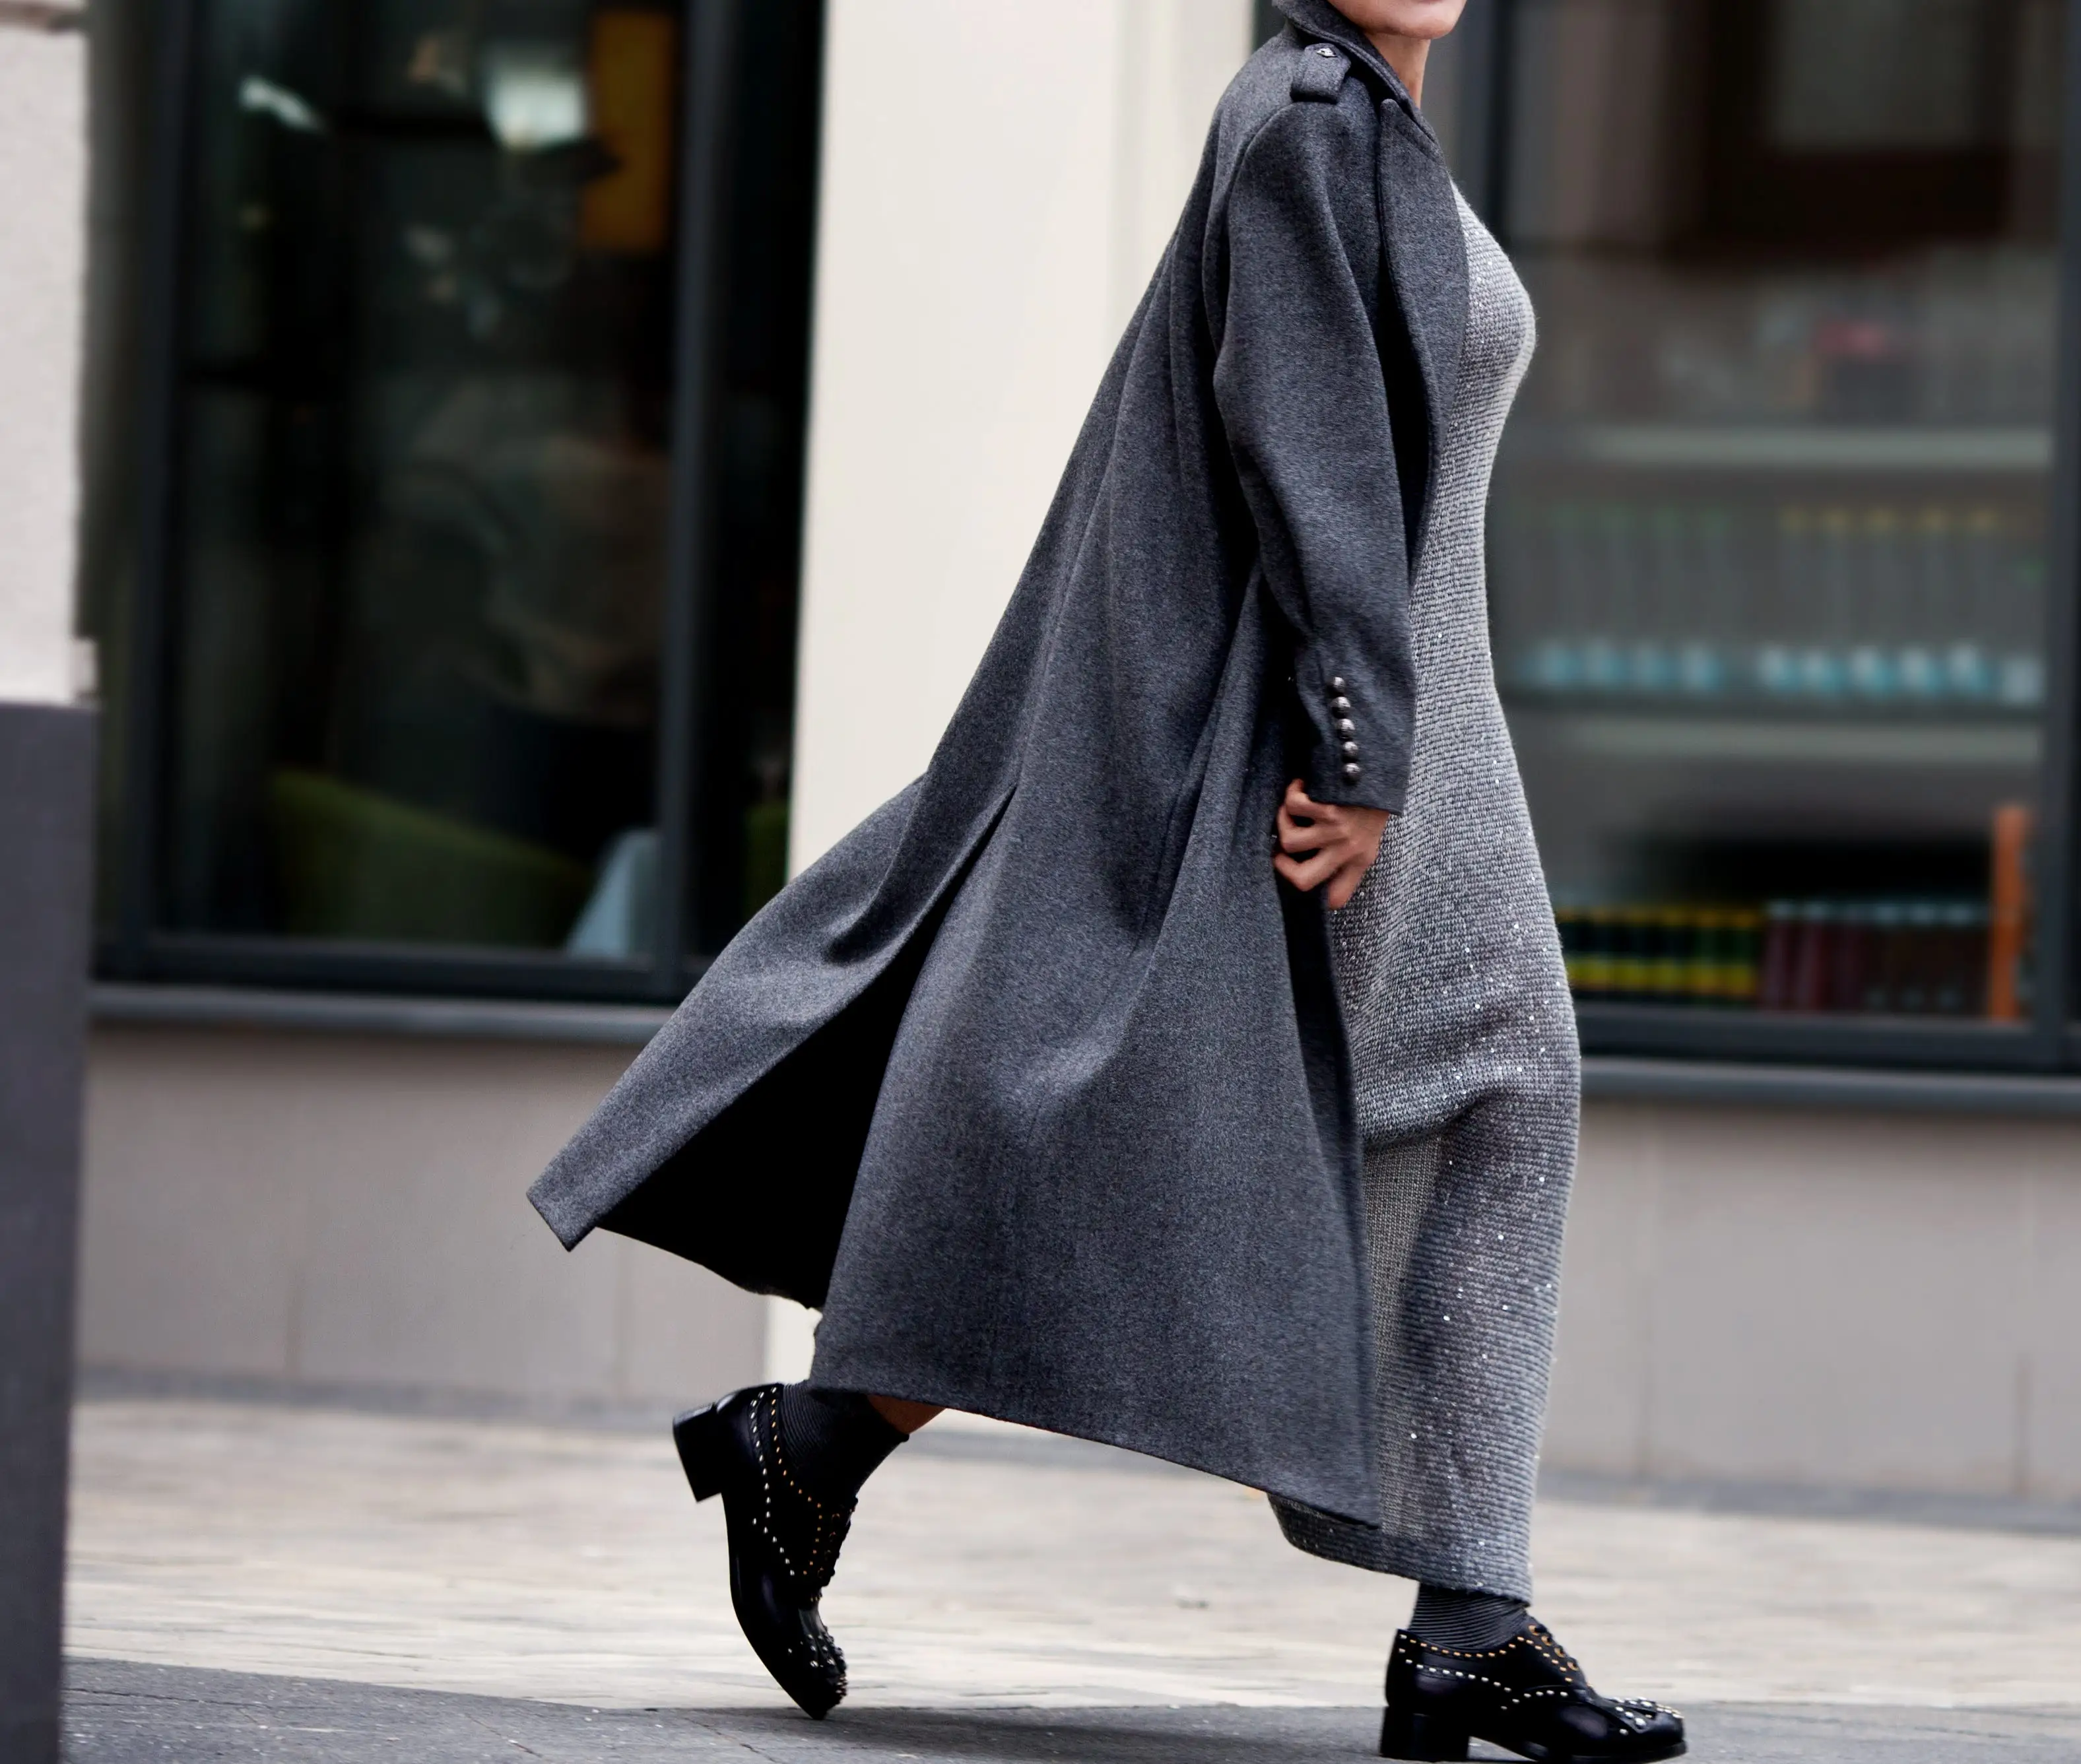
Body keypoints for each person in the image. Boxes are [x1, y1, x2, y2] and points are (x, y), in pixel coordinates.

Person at [527, 5, 1685, 1760]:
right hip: (1349, 735)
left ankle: (834, 1450)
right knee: (1271, 1118)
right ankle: (1463, 1619)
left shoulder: (1372, 127)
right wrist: (1356, 752)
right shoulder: (1302, 119)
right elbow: (1304, 456)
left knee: (1446, 1104)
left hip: (1432, 727)